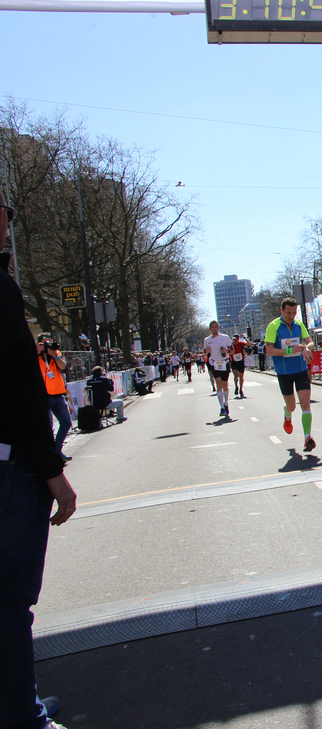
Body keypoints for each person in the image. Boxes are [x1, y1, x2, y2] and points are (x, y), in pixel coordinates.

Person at [0, 190, 78, 729]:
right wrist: (52, 470)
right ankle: (21, 716)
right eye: (8, 212)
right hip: (9, 464)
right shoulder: (1, 288)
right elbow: (16, 387)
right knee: (9, 600)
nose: (10, 223)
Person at [264, 297, 317, 452]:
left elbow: (310, 342)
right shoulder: (273, 326)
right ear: (282, 310)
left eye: (294, 313)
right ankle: (287, 414)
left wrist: (307, 347)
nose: (291, 316)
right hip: (284, 373)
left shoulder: (299, 324)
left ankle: (307, 438)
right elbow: (269, 351)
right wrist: (289, 350)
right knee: (292, 406)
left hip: (300, 370)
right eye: (288, 313)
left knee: (305, 403)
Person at [36, 334, 71, 462]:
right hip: (42, 396)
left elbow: (63, 367)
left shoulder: (55, 353)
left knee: (66, 423)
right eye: (45, 343)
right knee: (48, 427)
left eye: (50, 342)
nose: (48, 345)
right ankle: (50, 454)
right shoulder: (34, 354)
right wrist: (37, 351)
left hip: (57, 394)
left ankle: (57, 450)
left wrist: (55, 355)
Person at [203, 321, 233, 418]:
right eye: (212, 327)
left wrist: (226, 351)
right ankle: (222, 407)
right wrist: (206, 351)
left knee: (225, 384)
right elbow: (205, 352)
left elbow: (232, 350)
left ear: (218, 328)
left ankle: (226, 403)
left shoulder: (225, 337)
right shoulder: (207, 340)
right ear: (210, 329)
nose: (214, 328)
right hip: (214, 363)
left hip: (224, 362)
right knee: (218, 383)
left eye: (216, 326)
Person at [229, 333, 249, 398]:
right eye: (233, 339)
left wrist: (245, 338)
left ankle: (241, 389)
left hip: (240, 361)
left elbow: (249, 344)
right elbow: (228, 352)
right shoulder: (231, 345)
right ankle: (236, 386)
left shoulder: (241, 343)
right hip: (234, 361)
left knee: (241, 377)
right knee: (236, 375)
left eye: (236, 339)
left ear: (238, 339)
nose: (234, 340)